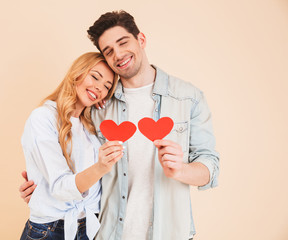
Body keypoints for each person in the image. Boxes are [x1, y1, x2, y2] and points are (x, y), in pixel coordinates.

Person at [19, 11, 220, 240]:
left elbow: (209, 166)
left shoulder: (188, 98)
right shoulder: (97, 106)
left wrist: (181, 170)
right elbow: (69, 161)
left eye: (123, 42)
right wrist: (42, 191)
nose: (118, 54)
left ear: (141, 40)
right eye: (109, 51)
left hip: (169, 232)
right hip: (108, 232)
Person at [19, 52, 121, 240]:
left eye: (107, 87)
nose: (99, 88)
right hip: (51, 230)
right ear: (77, 73)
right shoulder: (43, 118)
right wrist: (100, 167)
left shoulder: (90, 127)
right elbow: (60, 186)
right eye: (95, 77)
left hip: (89, 227)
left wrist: (105, 109)